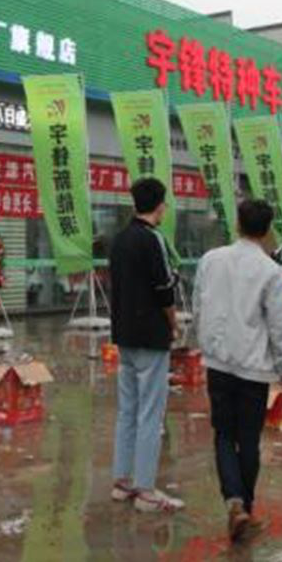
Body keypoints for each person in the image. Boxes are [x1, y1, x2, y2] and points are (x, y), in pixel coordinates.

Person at [192, 199, 282, 541]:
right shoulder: (270, 270)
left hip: (218, 363)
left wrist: (203, 342)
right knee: (248, 439)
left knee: (223, 434)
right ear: (267, 231)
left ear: (237, 224)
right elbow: (278, 325)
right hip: (253, 367)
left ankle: (234, 503)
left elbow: (198, 306)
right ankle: (245, 509)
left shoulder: (211, 260)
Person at [108, 177, 183, 513]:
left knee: (128, 410)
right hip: (151, 336)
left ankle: (122, 482)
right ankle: (146, 490)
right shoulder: (153, 239)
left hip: (124, 334)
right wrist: (173, 322)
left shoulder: (119, 239)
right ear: (159, 205)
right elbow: (164, 289)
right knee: (151, 413)